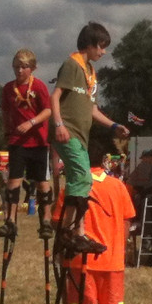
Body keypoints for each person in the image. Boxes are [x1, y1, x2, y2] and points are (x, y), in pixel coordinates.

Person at [49, 22, 129, 256]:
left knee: (82, 180)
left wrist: (114, 125)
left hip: (81, 135)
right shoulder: (72, 65)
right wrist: (59, 125)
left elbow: (92, 109)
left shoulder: (91, 72)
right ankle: (73, 231)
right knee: (83, 176)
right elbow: (55, 98)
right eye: (101, 47)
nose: (103, 52)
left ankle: (74, 231)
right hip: (67, 132)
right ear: (90, 44)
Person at [64, 151, 137, 304]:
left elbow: (62, 223)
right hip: (112, 260)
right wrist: (121, 248)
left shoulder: (73, 186)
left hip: (80, 261)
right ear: (103, 161)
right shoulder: (118, 186)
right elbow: (127, 220)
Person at [0, 49, 54, 241]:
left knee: (42, 182)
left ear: (32, 68)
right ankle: (10, 220)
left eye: (24, 67)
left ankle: (46, 220)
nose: (19, 71)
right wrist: (7, 130)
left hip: (38, 140)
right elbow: (5, 112)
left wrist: (31, 123)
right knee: (13, 181)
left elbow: (48, 111)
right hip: (18, 141)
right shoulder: (8, 89)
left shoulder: (38, 86)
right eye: (16, 67)